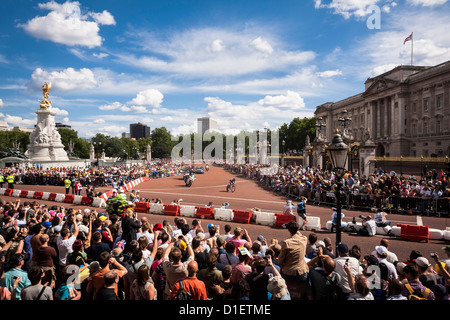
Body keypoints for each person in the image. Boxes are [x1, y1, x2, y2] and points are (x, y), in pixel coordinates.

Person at [278, 220, 309, 300]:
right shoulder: (304, 239)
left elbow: (280, 260)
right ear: (297, 230)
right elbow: (300, 235)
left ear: (288, 230)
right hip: (302, 273)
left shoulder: (286, 243)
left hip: (288, 273)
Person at [162, 235, 195, 300]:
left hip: (170, 295)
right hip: (184, 295)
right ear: (181, 257)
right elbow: (192, 255)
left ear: (171, 257)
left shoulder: (167, 267)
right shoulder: (185, 267)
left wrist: (172, 242)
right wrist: (187, 242)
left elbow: (165, 254)